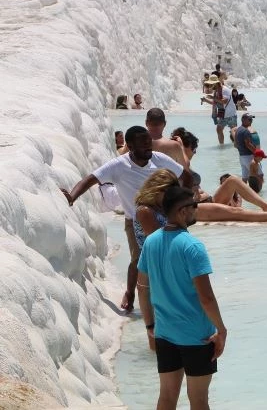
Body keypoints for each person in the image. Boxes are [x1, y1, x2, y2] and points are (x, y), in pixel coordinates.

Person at [61, 126, 192, 312]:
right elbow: (90, 180)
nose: (149, 147)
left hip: (164, 217)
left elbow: (187, 177)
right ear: (130, 146)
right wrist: (72, 197)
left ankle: (173, 299)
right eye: (143, 144)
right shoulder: (118, 165)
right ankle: (131, 293)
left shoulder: (159, 159)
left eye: (149, 143)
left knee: (172, 256)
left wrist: (181, 205)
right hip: (134, 219)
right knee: (139, 259)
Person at [136, 185, 227, 410]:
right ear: (182, 211)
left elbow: (142, 287)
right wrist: (221, 330)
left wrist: (150, 325)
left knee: (167, 397)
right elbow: (206, 298)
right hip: (197, 336)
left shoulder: (151, 242)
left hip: (165, 333)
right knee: (199, 400)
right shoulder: (193, 247)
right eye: (194, 205)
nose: (197, 209)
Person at [234, 114, 258, 181]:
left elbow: (235, 145)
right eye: (249, 120)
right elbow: (248, 144)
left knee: (245, 177)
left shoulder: (238, 130)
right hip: (249, 157)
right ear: (243, 120)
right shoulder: (245, 131)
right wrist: (257, 153)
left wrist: (242, 149)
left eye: (251, 120)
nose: (251, 121)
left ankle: (242, 188)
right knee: (258, 175)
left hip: (242, 157)